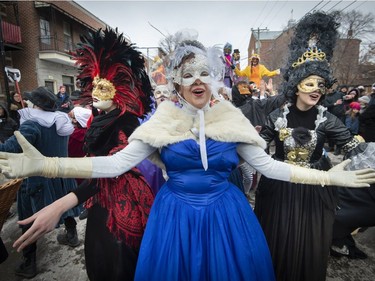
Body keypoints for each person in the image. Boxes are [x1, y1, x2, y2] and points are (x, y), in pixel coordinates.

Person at [1, 38, 375, 281]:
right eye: (188, 74)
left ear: (213, 80)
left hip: (227, 217)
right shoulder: (163, 121)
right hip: (175, 217)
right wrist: (45, 166)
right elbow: (115, 165)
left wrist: (331, 178)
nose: (198, 80)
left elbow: (270, 167)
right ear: (176, 82)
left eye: (204, 73)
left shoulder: (230, 117)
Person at [253, 12, 375, 281]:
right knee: (279, 235)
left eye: (321, 84)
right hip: (281, 188)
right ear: (296, 86)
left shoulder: (328, 118)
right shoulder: (277, 117)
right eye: (309, 83)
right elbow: (258, 149)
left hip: (316, 192)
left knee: (310, 241)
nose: (316, 89)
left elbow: (354, 145)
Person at [0, 86, 82, 278]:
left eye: (29, 101)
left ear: (36, 105)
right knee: (65, 207)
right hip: (61, 175)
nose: (27, 103)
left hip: (38, 180)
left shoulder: (32, 125)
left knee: (27, 221)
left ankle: (29, 263)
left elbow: (9, 149)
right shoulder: (60, 121)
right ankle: (72, 236)